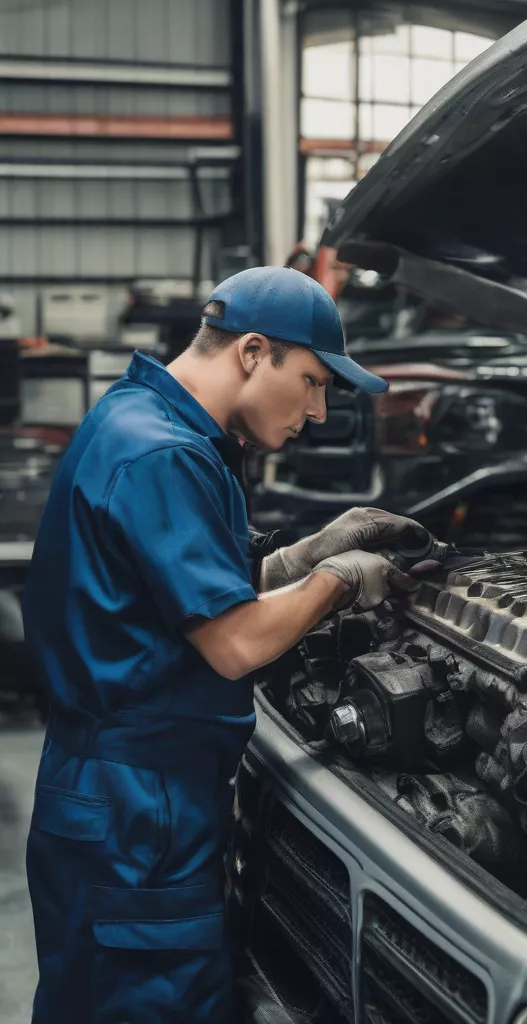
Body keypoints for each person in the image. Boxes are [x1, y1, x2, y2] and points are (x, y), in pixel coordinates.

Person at [22, 266, 434, 1022]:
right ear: (252, 352)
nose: (315, 412)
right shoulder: (165, 453)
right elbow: (236, 643)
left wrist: (310, 553)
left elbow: (184, 594)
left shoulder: (144, 419)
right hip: (138, 811)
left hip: (125, 793)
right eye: (312, 382)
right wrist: (342, 578)